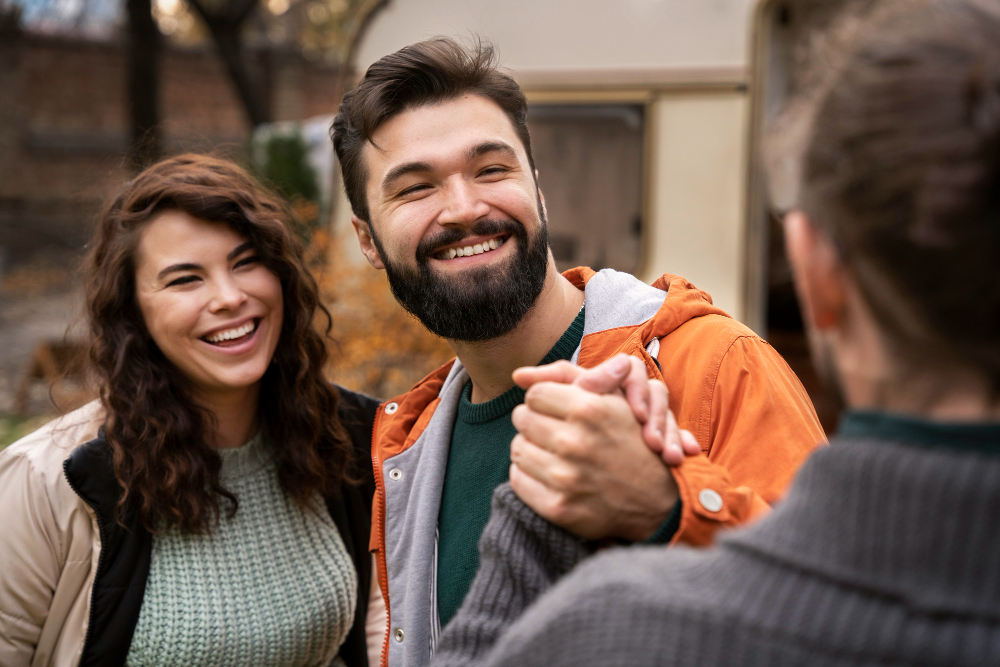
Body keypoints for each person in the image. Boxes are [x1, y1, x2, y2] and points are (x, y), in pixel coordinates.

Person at [434, 0, 1000, 664]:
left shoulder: (614, 630)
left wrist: (544, 511)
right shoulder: (410, 425)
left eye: (493, 169)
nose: (463, 206)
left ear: (816, 272)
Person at [331, 37, 826, 667]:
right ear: (368, 241)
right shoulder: (406, 452)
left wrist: (670, 510)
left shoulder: (714, 364)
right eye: (415, 189)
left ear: (538, 188)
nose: (465, 208)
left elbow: (839, 615)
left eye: (491, 169)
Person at [0, 154, 379, 667]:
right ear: (132, 311)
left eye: (246, 262)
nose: (229, 297)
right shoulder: (47, 483)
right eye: (184, 279)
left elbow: (384, 628)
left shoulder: (347, 439)